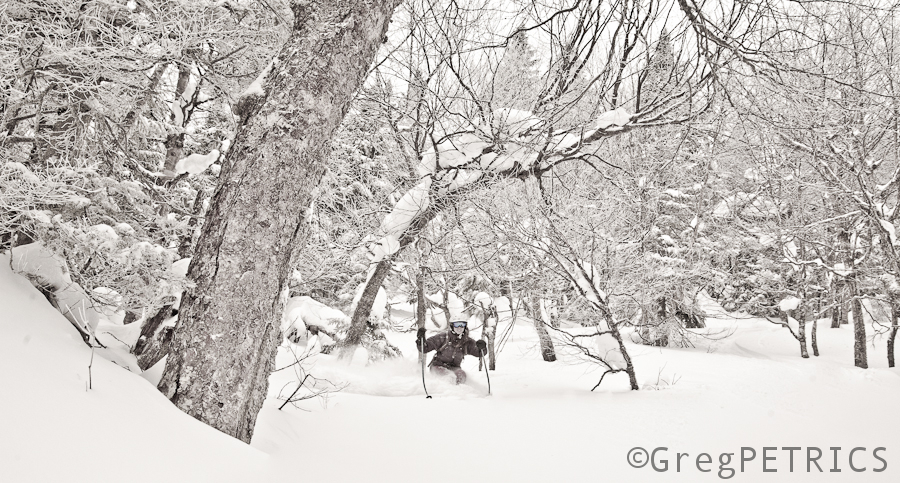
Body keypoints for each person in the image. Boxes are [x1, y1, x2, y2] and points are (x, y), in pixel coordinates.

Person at [416, 319, 487, 384]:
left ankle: (460, 393)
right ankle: (444, 393)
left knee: (462, 376)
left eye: (462, 325)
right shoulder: (443, 337)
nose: (459, 327)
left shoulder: (467, 341)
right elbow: (425, 348)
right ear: (452, 326)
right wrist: (421, 341)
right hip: (438, 366)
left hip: (455, 368)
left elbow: (478, 353)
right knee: (449, 377)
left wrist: (482, 348)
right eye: (457, 325)